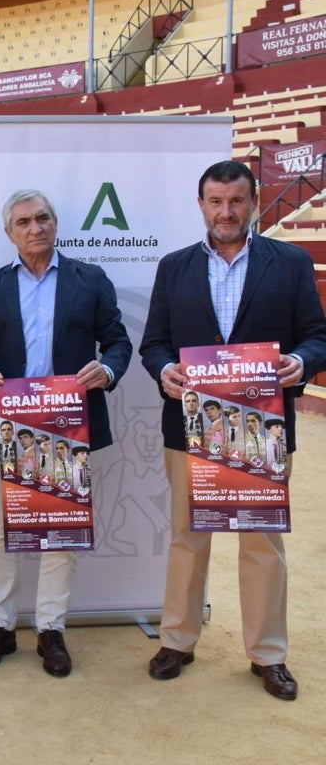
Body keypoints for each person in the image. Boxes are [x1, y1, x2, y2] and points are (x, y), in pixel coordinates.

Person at [140, 159, 326, 701]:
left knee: (261, 543)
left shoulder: (290, 262)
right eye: (216, 201)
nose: (226, 211)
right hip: (189, 427)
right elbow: (155, 342)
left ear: (254, 202)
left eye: (236, 201)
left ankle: (268, 655)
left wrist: (301, 361)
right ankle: (178, 639)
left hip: (262, 428)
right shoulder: (173, 267)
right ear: (201, 205)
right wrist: (163, 370)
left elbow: (317, 335)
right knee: (187, 537)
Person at [0, 189, 132, 677]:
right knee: (0, 532)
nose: (35, 227)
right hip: (6, 426)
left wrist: (108, 370)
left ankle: (51, 629)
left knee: (60, 531)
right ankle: (0, 623)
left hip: (68, 426)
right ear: (9, 233)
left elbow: (118, 341)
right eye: (24, 222)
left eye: (43, 218)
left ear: (55, 224)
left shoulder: (91, 279)